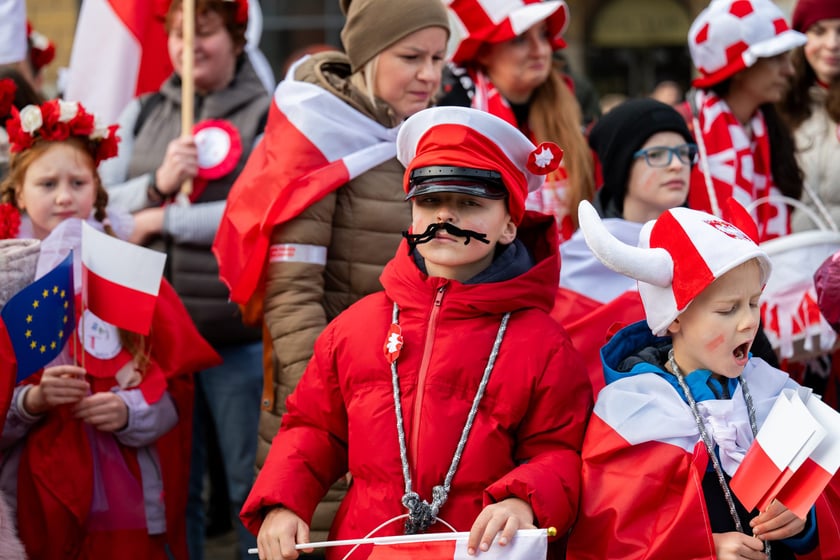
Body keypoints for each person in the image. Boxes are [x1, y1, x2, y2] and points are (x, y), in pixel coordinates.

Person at [239, 106, 591, 560]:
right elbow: (313, 428)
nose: (445, 215)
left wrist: (525, 499)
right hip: (368, 546)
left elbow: (561, 450)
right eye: (429, 201)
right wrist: (284, 502)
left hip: (482, 549)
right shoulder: (356, 325)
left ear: (509, 225)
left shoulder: (543, 342)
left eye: (469, 203)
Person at [213, 0, 450, 549]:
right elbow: (292, 298)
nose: (430, 74)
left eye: (438, 57)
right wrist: (337, 411)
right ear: (367, 55)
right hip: (339, 408)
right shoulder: (317, 137)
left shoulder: (423, 133)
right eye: (411, 56)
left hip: (415, 401)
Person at [0, 99, 220, 559]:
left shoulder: (127, 270)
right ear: (18, 193)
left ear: (97, 189)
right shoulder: (8, 280)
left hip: (125, 495)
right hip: (35, 493)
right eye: (47, 183)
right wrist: (32, 401)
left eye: (77, 183)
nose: (64, 196)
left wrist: (131, 412)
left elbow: (175, 384)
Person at [566, 200, 840, 559]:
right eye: (728, 309)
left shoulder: (778, 393)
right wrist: (706, 547)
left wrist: (806, 523)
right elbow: (614, 538)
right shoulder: (630, 411)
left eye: (754, 303)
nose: (748, 322)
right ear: (675, 318)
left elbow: (827, 498)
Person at [97, 0, 270, 557]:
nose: (188, 45)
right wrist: (157, 183)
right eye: (177, 34)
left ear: (237, 37)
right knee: (173, 493)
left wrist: (158, 220)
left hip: (234, 337)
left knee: (251, 489)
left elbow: (252, 211)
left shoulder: (268, 114)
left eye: (205, 32)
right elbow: (99, 200)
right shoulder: (143, 111)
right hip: (156, 340)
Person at [555, 98, 695, 393]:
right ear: (621, 166)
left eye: (685, 153)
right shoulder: (575, 263)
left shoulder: (709, 247)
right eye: (656, 154)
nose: (676, 165)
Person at [439, 0, 595, 244]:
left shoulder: (576, 98)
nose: (540, 50)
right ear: (484, 51)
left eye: (543, 35)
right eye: (520, 39)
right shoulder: (451, 109)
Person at [684, 0, 805, 241]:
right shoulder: (685, 130)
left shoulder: (771, 130)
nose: (789, 70)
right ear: (739, 68)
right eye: (776, 58)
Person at [778, 0, 840, 233]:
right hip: (792, 258)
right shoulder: (777, 103)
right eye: (819, 31)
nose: (832, 44)